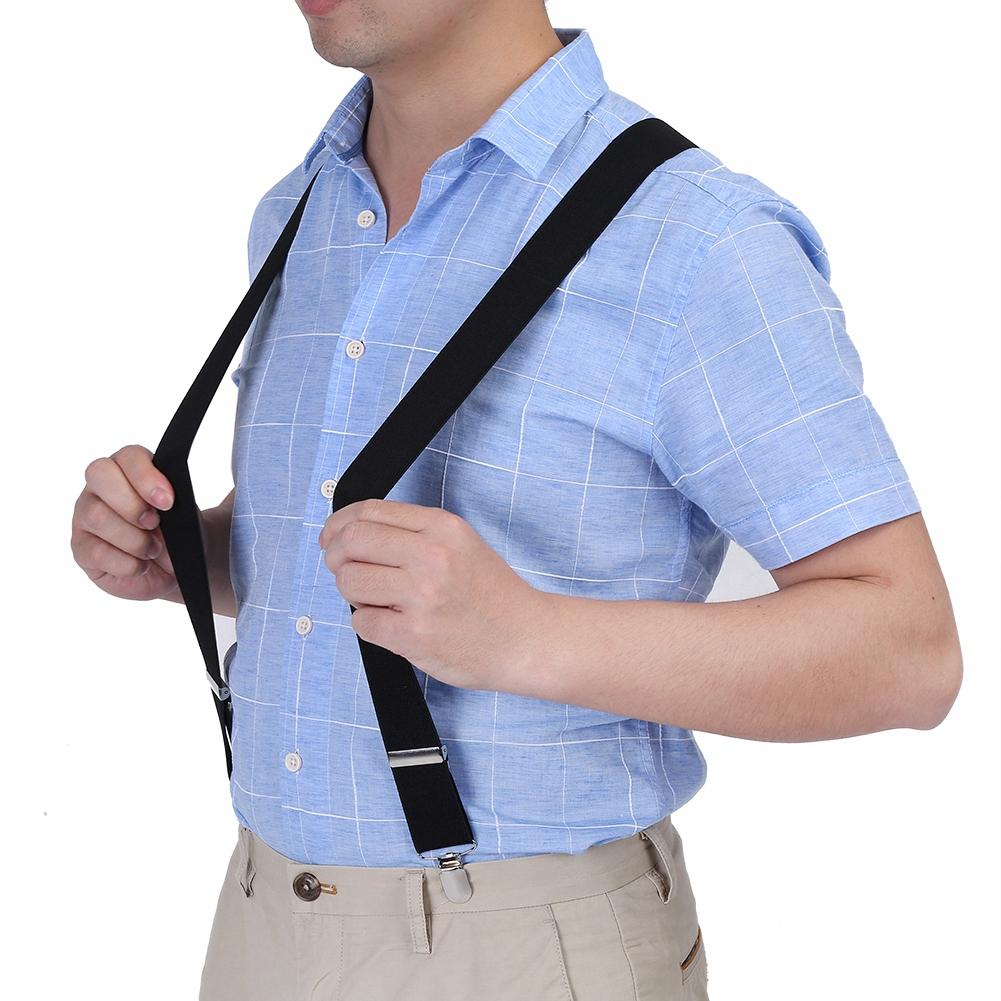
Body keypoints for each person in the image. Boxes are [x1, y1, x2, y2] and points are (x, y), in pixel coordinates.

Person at [70, 2, 963, 998]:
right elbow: (345, 564)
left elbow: (907, 652)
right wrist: (190, 555)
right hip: (258, 916)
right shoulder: (299, 210)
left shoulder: (695, 239)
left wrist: (525, 635)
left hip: (526, 947)